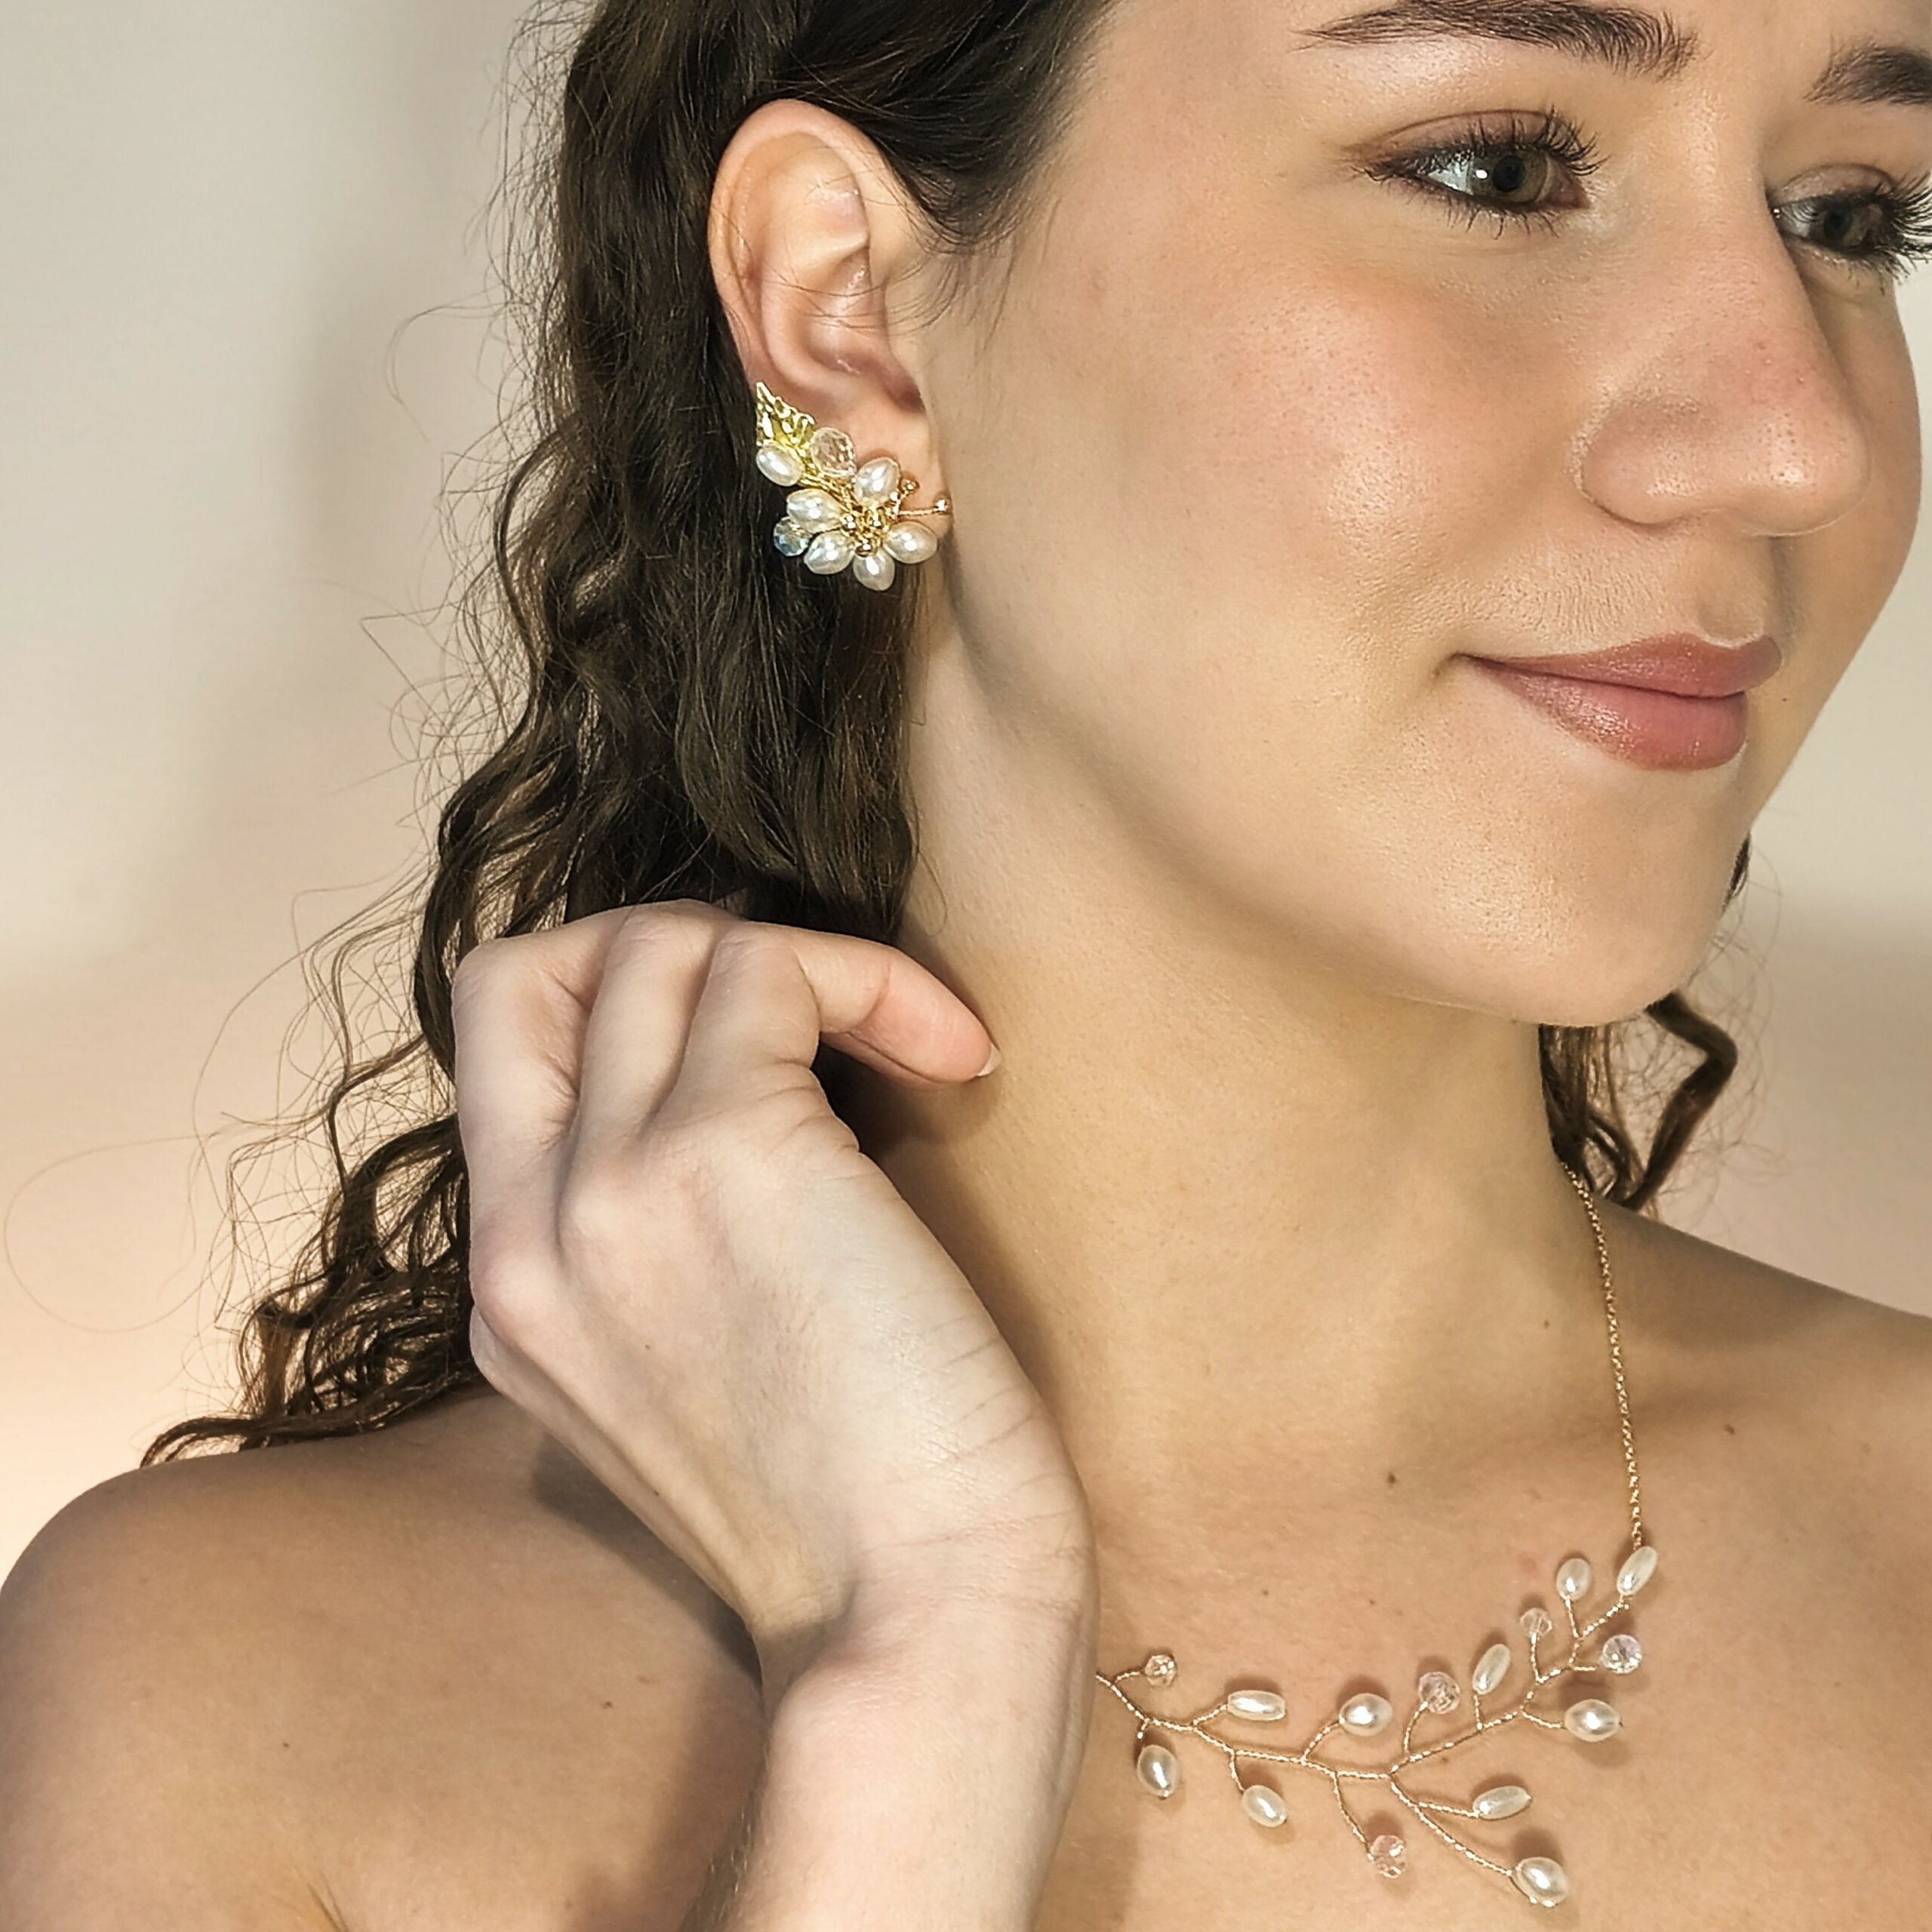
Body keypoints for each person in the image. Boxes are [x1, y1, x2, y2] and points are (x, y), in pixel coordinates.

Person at [4, 0, 1930, 1924]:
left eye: (1846, 215)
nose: (1795, 443)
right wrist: (917, 1669)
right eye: (1492, 170)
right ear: (848, 313)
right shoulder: (232, 1713)